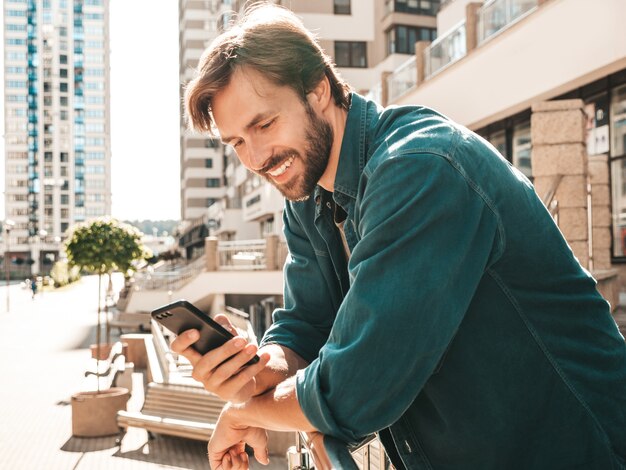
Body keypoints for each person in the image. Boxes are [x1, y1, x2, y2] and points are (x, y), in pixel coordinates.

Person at [173, 4, 626, 469]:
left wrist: (249, 411)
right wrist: (255, 369)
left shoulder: (420, 167)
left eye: (263, 125)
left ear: (318, 90)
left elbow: (359, 384)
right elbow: (308, 325)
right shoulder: (305, 196)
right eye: (237, 143)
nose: (256, 159)